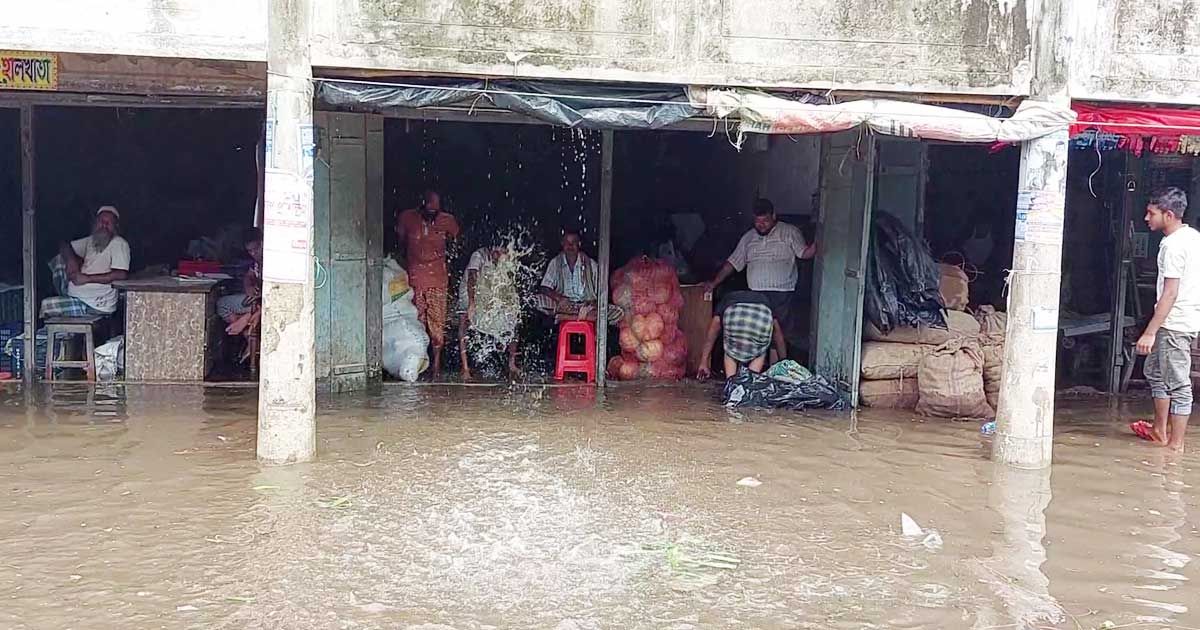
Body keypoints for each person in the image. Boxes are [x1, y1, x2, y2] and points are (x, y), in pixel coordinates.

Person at [1131, 187, 1200, 451]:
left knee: (1179, 383)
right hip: (1179, 319)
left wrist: (1150, 331)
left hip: (1175, 323)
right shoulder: (1192, 237)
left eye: (1152, 213)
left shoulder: (1172, 246)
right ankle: (1159, 431)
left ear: (1169, 215)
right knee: (1154, 372)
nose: (1147, 218)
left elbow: (1170, 293)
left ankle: (1176, 446)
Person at [703, 198, 816, 336]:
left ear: (774, 216)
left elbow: (804, 253)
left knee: (778, 336)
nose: (761, 225)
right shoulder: (748, 237)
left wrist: (820, 242)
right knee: (757, 334)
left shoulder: (790, 232)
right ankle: (761, 358)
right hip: (755, 295)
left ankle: (778, 358)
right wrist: (714, 283)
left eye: (765, 221)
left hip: (781, 294)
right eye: (757, 221)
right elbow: (732, 263)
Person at [396, 189, 460, 377]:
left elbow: (457, 244)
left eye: (436, 211)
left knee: (437, 322)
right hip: (414, 279)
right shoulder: (407, 218)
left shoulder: (447, 220)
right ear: (421, 205)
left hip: (438, 280)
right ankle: (420, 361)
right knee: (417, 321)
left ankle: (436, 364)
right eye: (429, 209)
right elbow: (401, 243)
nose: (433, 214)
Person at [41, 206, 131, 318]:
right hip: (79, 297)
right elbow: (64, 245)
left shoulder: (119, 243)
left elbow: (121, 274)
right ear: (95, 223)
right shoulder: (91, 240)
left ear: (115, 227)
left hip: (95, 305)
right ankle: (66, 301)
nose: (104, 225)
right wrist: (71, 261)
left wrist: (87, 278)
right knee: (60, 259)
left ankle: (61, 333)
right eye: (101, 221)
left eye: (109, 222)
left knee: (47, 305)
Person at [457, 245, 520, 380]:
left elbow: (510, 283)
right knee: (464, 320)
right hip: (470, 290)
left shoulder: (509, 255)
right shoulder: (478, 256)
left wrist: (510, 304)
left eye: (501, 252)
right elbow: (472, 278)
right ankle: (465, 368)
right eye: (495, 252)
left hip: (490, 290)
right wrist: (472, 303)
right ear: (490, 249)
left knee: (514, 317)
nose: (497, 255)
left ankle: (512, 364)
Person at [535, 229, 624, 323]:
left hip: (586, 307)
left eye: (574, 242)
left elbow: (602, 294)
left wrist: (590, 305)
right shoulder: (555, 263)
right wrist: (560, 299)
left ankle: (565, 317)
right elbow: (544, 288)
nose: (570, 246)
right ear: (562, 244)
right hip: (563, 306)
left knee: (618, 312)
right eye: (567, 243)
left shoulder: (591, 264)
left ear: (579, 244)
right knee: (537, 301)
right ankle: (582, 317)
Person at [696, 290, 786, 380]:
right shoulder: (766, 300)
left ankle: (731, 382)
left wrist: (703, 362)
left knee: (731, 352)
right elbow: (778, 334)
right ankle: (750, 382)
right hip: (760, 316)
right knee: (759, 351)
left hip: (735, 315)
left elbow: (713, 330)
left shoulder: (725, 301)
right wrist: (784, 362)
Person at [217, 227, 263, 325]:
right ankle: (246, 330)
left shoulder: (271, 260)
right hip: (254, 299)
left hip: (264, 303)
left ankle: (245, 325)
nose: (253, 253)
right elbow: (248, 275)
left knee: (223, 305)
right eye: (250, 251)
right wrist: (249, 287)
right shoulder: (257, 262)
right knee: (222, 303)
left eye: (256, 249)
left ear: (263, 243)